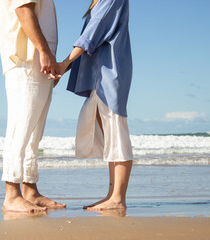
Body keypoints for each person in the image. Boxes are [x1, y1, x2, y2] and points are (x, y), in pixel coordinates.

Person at [56, 0, 133, 211]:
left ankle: (118, 198)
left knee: (116, 133)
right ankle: (112, 195)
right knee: (110, 136)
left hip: (110, 72)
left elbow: (92, 32)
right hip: (99, 74)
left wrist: (64, 64)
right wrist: (65, 66)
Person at [0, 0, 66, 212]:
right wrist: (44, 51)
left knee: (34, 132)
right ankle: (12, 194)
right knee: (21, 127)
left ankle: (30, 191)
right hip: (25, 60)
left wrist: (49, 56)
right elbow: (23, 10)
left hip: (39, 61)